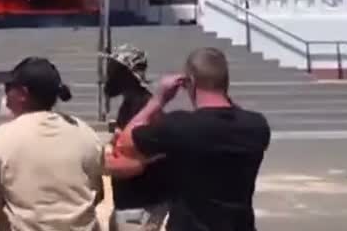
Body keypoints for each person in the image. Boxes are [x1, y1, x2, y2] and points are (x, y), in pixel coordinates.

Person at [105, 47, 271, 231]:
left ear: (189, 81)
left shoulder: (180, 127)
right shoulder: (257, 126)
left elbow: (126, 142)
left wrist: (159, 99)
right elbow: (232, 118)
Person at [0, 57, 104, 231]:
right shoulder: (84, 131)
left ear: (23, 94)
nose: (5, 93)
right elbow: (97, 192)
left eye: (8, 87)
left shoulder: (0, 139)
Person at [103, 45, 169, 231]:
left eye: (115, 69)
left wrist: (100, 164)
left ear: (130, 73)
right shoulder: (130, 104)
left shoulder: (144, 106)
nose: (110, 75)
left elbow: (138, 161)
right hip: (130, 203)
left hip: (142, 204)